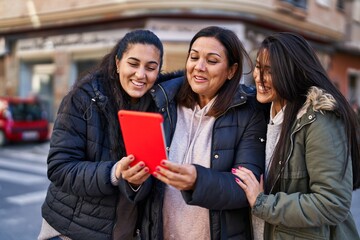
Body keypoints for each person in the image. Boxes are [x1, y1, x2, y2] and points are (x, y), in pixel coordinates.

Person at [129, 26, 268, 239]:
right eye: (194, 57)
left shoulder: (249, 113)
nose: (199, 67)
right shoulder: (161, 102)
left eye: (212, 61)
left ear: (231, 71)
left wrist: (197, 181)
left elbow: (244, 188)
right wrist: (132, 180)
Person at [38, 29, 174, 240]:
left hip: (124, 231)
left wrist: (135, 180)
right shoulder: (83, 98)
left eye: (151, 67)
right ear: (118, 63)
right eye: (133, 63)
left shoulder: (156, 104)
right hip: (71, 230)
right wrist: (114, 172)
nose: (141, 74)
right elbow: (59, 168)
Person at [232, 32, 360, 240]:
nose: (259, 78)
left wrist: (262, 203)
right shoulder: (262, 111)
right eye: (258, 67)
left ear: (292, 73)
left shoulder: (319, 120)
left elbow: (333, 203)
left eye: (270, 71)